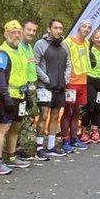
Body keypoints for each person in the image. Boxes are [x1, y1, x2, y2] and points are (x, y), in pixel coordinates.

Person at [0, 20, 32, 174]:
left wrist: (27, 94)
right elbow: (0, 75)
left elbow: (24, 72)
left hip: (21, 94)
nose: (16, 35)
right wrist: (5, 96)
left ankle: (12, 156)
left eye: (18, 32)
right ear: (6, 33)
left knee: (16, 126)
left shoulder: (21, 49)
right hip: (8, 95)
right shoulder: (2, 52)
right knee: (4, 127)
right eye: (12, 32)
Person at [34, 19, 71, 158]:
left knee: (56, 115)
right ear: (49, 29)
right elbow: (35, 64)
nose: (58, 31)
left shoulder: (64, 45)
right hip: (45, 87)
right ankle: (39, 147)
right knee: (43, 115)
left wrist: (66, 78)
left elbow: (68, 64)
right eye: (55, 28)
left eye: (61, 28)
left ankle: (51, 145)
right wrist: (46, 79)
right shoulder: (40, 44)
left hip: (60, 86)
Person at [62, 20, 92, 152]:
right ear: (79, 27)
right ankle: (65, 139)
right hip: (71, 82)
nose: (86, 29)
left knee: (77, 112)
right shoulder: (68, 42)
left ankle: (74, 138)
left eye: (89, 28)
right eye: (84, 26)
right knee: (68, 112)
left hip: (83, 81)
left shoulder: (87, 42)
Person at [15, 20, 39, 161]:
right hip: (19, 88)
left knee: (23, 119)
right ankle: (13, 149)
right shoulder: (17, 46)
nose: (31, 33)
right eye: (28, 30)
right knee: (15, 120)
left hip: (29, 86)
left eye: (34, 30)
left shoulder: (29, 47)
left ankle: (18, 147)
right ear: (22, 30)